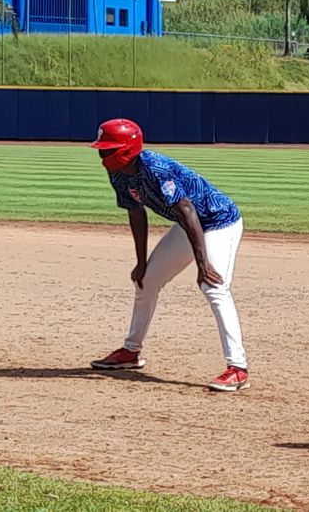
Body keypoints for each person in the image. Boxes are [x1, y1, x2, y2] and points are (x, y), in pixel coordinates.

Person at [88, 118, 250, 392]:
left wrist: (202, 264)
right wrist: (141, 262)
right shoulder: (118, 173)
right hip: (188, 224)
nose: (102, 155)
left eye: (108, 150)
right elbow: (136, 213)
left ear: (126, 150)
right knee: (147, 280)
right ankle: (131, 351)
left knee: (213, 285)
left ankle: (238, 368)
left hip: (218, 221)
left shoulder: (155, 168)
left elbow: (187, 210)